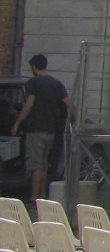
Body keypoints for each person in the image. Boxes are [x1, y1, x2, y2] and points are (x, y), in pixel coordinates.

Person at [11, 55, 71, 203]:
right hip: (50, 130)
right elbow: (67, 102)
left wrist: (17, 123)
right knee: (43, 164)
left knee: (35, 164)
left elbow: (29, 104)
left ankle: (34, 196)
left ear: (34, 67)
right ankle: (43, 195)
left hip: (35, 129)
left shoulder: (33, 83)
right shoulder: (56, 84)